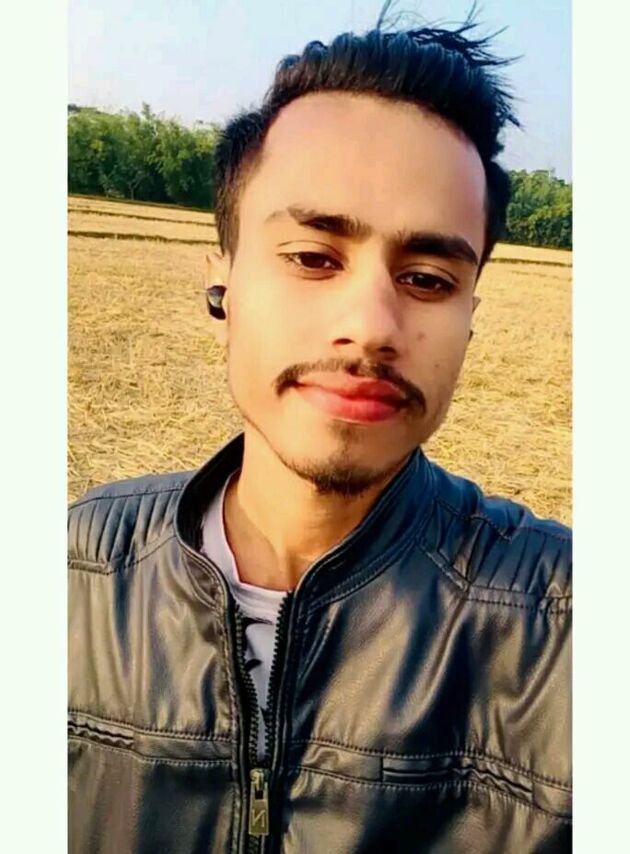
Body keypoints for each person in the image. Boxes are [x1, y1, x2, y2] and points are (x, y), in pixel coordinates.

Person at [68, 12, 571, 854]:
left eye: (427, 278)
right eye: (313, 258)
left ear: (470, 316)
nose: (370, 326)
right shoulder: (74, 574)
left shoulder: (562, 629)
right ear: (224, 283)